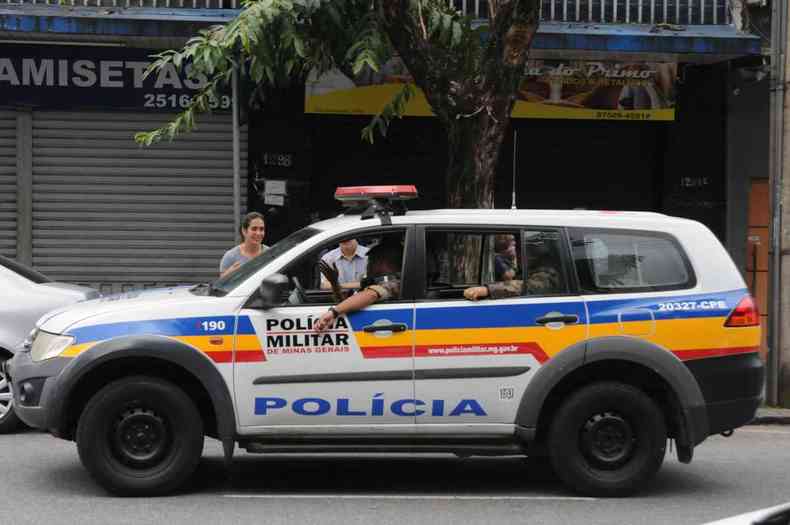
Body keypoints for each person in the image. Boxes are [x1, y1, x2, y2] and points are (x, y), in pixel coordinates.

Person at [313, 238, 402, 332]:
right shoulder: (374, 281)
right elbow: (349, 300)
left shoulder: (393, 283)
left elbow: (371, 294)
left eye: (372, 260)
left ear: (383, 263)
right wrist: (335, 284)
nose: (368, 264)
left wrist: (333, 312)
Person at [219, 212, 268, 278]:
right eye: (254, 229)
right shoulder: (231, 256)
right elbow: (220, 283)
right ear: (244, 231)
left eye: (261, 229)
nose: (258, 233)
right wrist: (229, 273)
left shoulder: (270, 253)